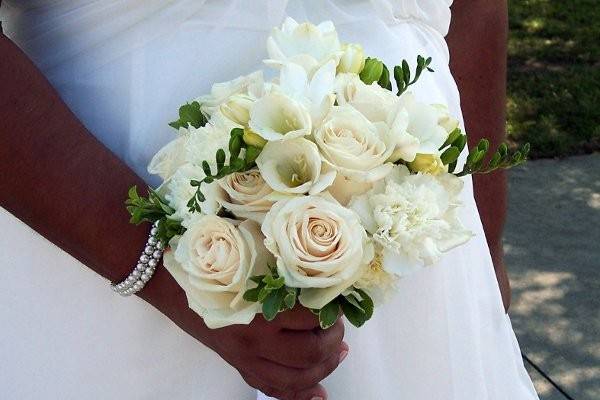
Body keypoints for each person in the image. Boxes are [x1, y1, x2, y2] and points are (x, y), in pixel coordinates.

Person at [0, 1, 539, 399]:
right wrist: (167, 271)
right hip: (99, 239)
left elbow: (472, 11)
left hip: (414, 277)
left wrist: (484, 249)